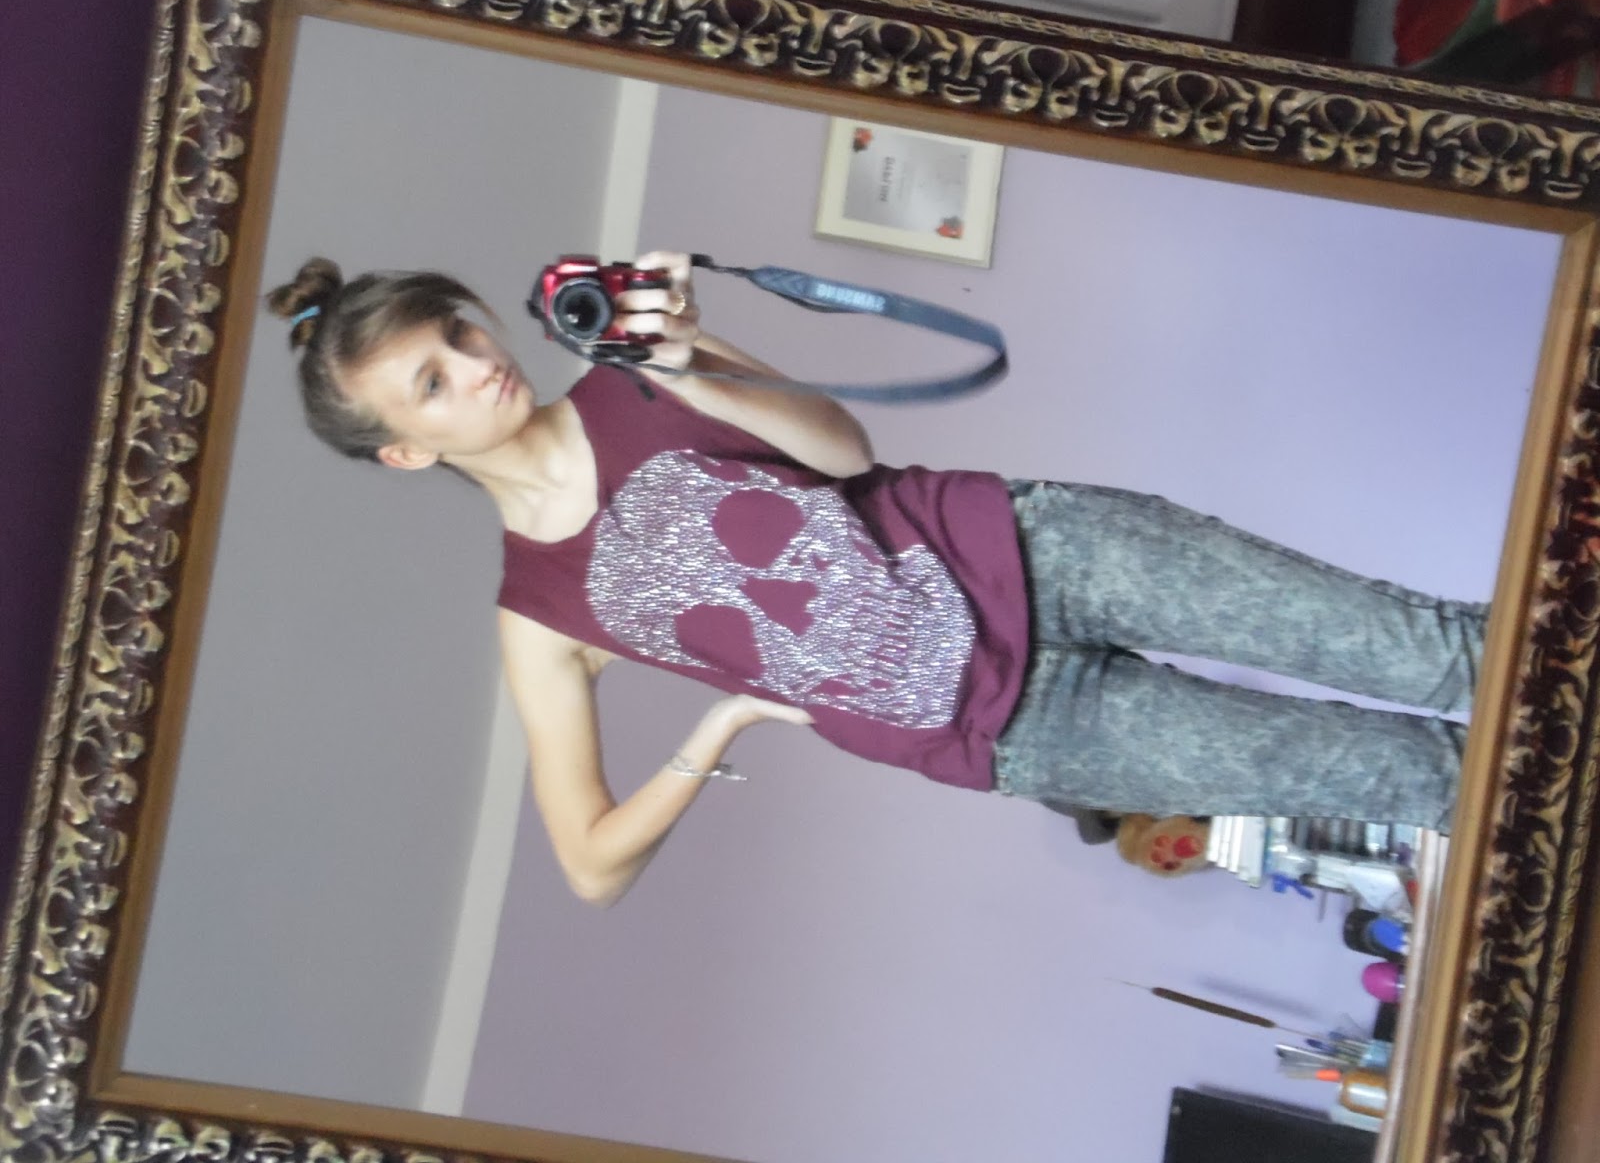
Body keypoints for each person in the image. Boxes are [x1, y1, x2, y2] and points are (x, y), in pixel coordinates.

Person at [267, 250, 1486, 906]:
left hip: (1038, 553)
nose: (477, 366)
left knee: (1436, 651)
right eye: (432, 383)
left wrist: (685, 359)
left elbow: (842, 452)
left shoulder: (632, 372)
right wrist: (719, 726)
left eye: (460, 333)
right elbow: (590, 865)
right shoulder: (536, 615)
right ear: (404, 452)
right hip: (1013, 731)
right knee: (1415, 781)